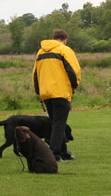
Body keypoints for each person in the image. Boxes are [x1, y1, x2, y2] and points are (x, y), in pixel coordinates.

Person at [32, 29, 81, 162]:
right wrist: (74, 85)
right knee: (59, 124)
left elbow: (35, 74)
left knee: (56, 123)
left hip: (46, 93)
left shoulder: (40, 52)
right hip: (60, 92)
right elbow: (73, 70)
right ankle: (54, 154)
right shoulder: (64, 50)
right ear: (65, 40)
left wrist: (38, 91)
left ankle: (64, 152)